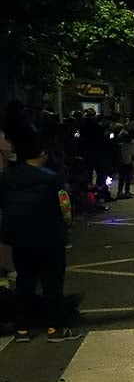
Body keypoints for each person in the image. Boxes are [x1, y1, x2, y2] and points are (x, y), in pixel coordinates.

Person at [0, 132, 83, 343]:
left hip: (20, 238)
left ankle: (21, 329)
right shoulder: (51, 178)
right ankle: (55, 328)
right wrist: (67, 225)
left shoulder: (8, 177)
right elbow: (65, 206)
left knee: (24, 282)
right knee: (52, 283)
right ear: (42, 154)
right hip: (49, 238)